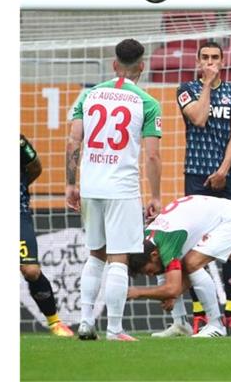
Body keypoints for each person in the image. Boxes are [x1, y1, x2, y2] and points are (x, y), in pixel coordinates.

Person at [65, 38, 162, 341]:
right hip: (122, 188)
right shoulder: (146, 102)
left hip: (92, 186)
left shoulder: (89, 95)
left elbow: (73, 141)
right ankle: (115, 329)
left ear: (114, 65)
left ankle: (84, 321)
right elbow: (152, 155)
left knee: (95, 255)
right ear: (142, 66)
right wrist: (156, 195)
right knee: (118, 257)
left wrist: (70, 182)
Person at [174, 40, 231, 336]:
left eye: (215, 58)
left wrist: (224, 170)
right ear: (197, 61)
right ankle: (199, 314)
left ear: (223, 61)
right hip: (195, 175)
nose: (210, 63)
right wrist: (205, 85)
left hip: (228, 176)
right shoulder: (185, 90)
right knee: (193, 245)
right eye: (205, 58)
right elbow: (199, 118)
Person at [126, 195, 231, 338]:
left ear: (154, 254)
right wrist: (170, 293)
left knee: (192, 263)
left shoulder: (167, 242)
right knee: (163, 270)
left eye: (148, 271)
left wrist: (138, 292)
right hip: (209, 215)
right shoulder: (150, 240)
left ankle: (216, 325)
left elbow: (173, 289)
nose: (150, 275)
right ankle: (181, 325)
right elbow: (173, 288)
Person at [20, 134, 75, 337]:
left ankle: (54, 323)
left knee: (31, 270)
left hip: (18, 213)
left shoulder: (18, 142)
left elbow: (35, 167)